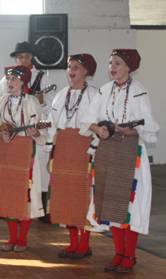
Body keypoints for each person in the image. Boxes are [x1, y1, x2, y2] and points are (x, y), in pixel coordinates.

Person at [81, 49, 159, 273]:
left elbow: (147, 128)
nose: (112, 67)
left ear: (129, 66)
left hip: (130, 152)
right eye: (110, 63)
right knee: (110, 201)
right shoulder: (104, 90)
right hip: (106, 151)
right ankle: (118, 253)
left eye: (117, 63)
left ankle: (130, 255)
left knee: (129, 203)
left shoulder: (138, 91)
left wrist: (126, 132)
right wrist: (99, 130)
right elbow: (89, 120)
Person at [0, 66, 45, 252]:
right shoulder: (1, 101)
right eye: (8, 79)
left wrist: (36, 131)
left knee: (25, 194)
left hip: (25, 151)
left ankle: (23, 239)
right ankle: (11, 238)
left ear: (23, 81)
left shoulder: (32, 102)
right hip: (6, 152)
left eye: (14, 79)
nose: (10, 82)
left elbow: (41, 130)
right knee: (8, 194)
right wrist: (1, 135)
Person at [0, 42, 55, 219]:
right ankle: (14, 209)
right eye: (20, 57)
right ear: (15, 58)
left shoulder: (42, 77)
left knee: (36, 172)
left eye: (27, 56)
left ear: (32, 57)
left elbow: (52, 105)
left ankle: (37, 209)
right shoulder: (8, 77)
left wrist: (39, 102)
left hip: (32, 134)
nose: (24, 59)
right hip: (11, 136)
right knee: (12, 175)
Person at [45, 54, 99, 259]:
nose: (71, 70)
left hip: (83, 148)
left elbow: (99, 123)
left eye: (76, 67)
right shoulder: (61, 94)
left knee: (83, 198)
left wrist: (93, 151)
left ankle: (84, 244)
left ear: (86, 71)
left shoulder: (95, 94)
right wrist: (52, 149)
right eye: (69, 67)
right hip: (64, 148)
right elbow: (52, 122)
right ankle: (73, 243)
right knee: (65, 197)